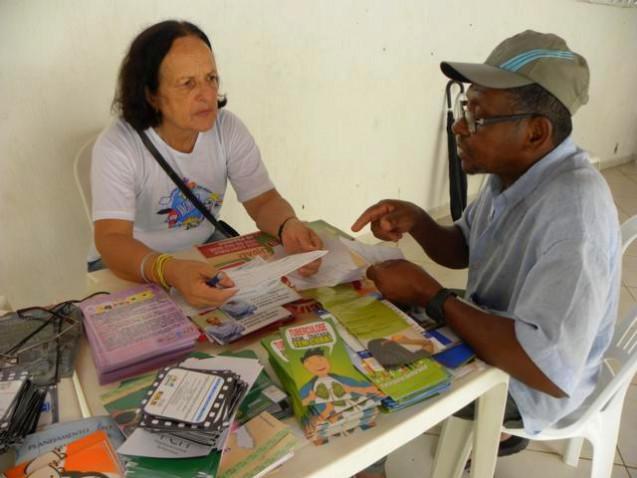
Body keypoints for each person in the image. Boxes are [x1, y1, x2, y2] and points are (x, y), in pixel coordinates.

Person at [352, 30, 620, 477]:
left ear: (535, 132)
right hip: (497, 328)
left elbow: (544, 368)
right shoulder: (512, 173)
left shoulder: (575, 215)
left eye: (478, 118)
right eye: (465, 109)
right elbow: (463, 248)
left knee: (369, 380)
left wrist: (432, 295)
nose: (459, 127)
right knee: (365, 317)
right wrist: (418, 220)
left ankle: (368, 469)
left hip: (530, 383)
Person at [89, 20, 322, 308]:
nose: (207, 95)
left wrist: (289, 225)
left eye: (211, 78)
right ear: (151, 94)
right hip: (134, 264)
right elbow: (112, 241)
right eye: (188, 84)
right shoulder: (119, 146)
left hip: (203, 249)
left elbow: (263, 201)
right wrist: (171, 270)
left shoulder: (228, 129)